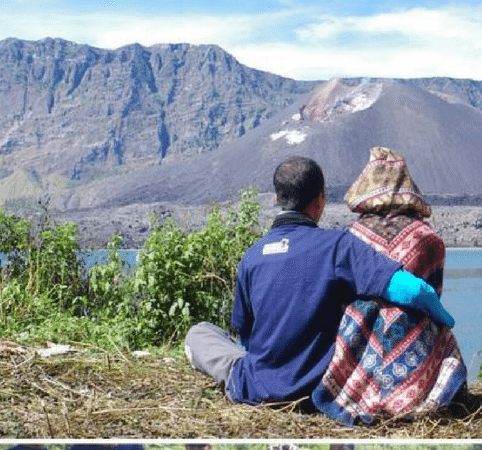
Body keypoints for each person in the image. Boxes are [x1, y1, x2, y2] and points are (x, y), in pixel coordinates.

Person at [184, 155, 454, 406]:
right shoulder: (338, 247)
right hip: (316, 390)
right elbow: (413, 291)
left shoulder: (252, 257)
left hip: (255, 387)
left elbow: (246, 334)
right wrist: (445, 321)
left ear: (277, 197)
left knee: (200, 333)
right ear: (320, 199)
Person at [311, 147, 467, 425]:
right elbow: (433, 296)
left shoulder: (352, 237)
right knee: (444, 336)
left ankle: (354, 392)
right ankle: (425, 393)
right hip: (415, 332)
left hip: (358, 336)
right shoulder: (429, 239)